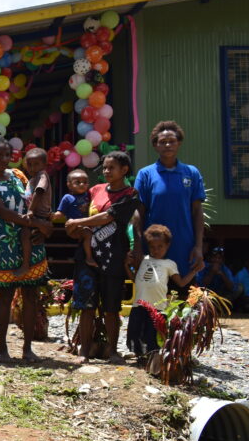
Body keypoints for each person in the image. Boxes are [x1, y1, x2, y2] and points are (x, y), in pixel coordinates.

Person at [0, 135, 52, 362]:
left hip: (29, 241)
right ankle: (1, 348)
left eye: (7, 155)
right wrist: (38, 224)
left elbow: (34, 200)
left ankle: (27, 348)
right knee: (5, 294)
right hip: (1, 245)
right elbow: (3, 212)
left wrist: (42, 221)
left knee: (30, 295)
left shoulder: (19, 175)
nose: (3, 159)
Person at [65, 152, 142, 363]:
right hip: (87, 258)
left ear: (124, 170)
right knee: (86, 307)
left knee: (111, 308)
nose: (107, 171)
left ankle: (113, 351)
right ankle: (84, 352)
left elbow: (109, 216)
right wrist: (72, 226)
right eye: (105, 168)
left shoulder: (131, 194)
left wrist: (79, 223)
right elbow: (77, 217)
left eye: (112, 168)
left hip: (114, 258)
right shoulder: (94, 190)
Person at [134, 121, 205, 280]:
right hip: (153, 248)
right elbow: (139, 213)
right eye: (162, 142)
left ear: (179, 143)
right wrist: (137, 247)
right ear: (155, 145)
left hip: (184, 247)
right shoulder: (145, 174)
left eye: (172, 141)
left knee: (184, 299)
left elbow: (197, 211)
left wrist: (198, 247)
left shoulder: (191, 173)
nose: (167, 145)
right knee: (152, 299)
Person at [127, 224, 203, 367]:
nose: (156, 250)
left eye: (160, 246)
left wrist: (194, 272)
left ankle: (152, 357)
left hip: (158, 306)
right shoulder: (143, 259)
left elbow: (180, 283)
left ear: (167, 246)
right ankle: (138, 356)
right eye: (152, 247)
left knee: (152, 334)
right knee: (135, 331)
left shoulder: (169, 264)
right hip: (138, 304)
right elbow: (135, 279)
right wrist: (126, 265)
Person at [17, 147, 52, 278]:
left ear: (44, 165)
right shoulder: (32, 178)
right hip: (37, 214)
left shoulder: (42, 175)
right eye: (29, 164)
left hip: (39, 214)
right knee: (33, 238)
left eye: (36, 164)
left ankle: (26, 265)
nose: (32, 167)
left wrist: (31, 210)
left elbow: (39, 192)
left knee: (25, 233)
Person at [53, 169, 95, 268]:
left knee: (89, 232)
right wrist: (53, 215)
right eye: (78, 182)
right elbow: (60, 213)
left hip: (87, 225)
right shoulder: (67, 198)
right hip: (74, 228)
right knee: (87, 233)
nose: (82, 184)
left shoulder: (89, 195)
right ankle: (89, 257)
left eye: (85, 182)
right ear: (69, 185)